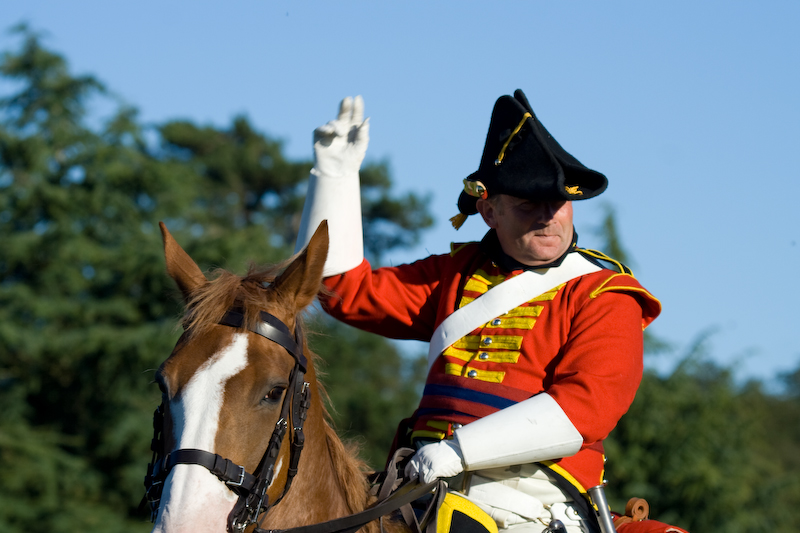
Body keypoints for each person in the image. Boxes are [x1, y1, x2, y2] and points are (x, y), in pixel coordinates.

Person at [294, 91, 671, 533]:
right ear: (489, 211)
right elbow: (341, 289)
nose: (549, 217)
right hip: (419, 488)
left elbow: (582, 412)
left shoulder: (605, 294)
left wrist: (459, 451)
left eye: (558, 202)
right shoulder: (455, 272)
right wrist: (334, 175)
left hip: (533, 500)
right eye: (529, 204)